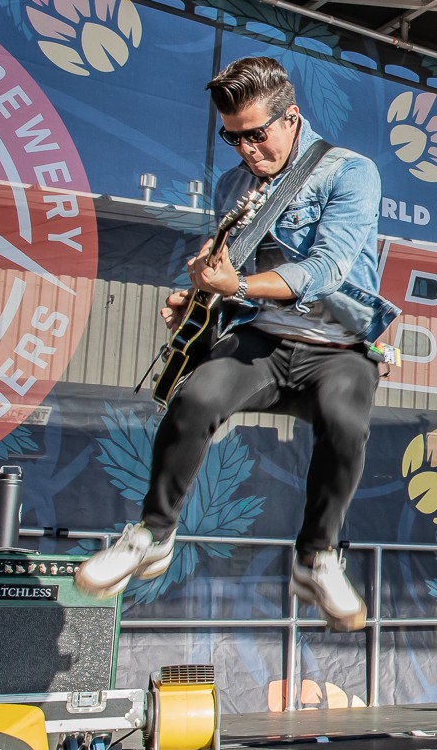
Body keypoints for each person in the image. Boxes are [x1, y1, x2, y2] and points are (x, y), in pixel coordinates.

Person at [76, 57, 398, 631]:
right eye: (233, 138)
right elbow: (229, 272)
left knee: (346, 420)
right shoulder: (233, 186)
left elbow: (324, 269)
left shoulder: (350, 172)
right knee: (196, 395)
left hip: (337, 347)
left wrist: (238, 285)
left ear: (291, 118)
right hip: (263, 340)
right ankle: (153, 535)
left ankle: (317, 557)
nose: (248, 150)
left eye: (257, 134)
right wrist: (201, 302)